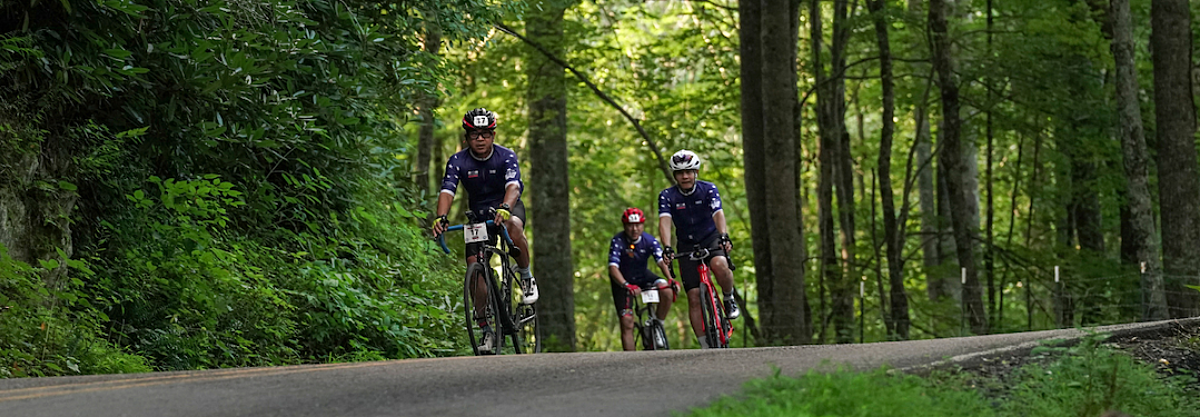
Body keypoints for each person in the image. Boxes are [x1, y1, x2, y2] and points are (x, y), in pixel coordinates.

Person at [431, 108, 538, 354]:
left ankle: (525, 276)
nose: (480, 139)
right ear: (467, 137)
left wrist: (505, 207)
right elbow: (448, 190)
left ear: (493, 135)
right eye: (474, 134)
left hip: (506, 207)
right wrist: (442, 217)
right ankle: (486, 330)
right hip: (478, 216)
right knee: (474, 268)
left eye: (486, 134)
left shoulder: (506, 156)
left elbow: (513, 186)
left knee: (514, 225)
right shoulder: (458, 161)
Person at [657, 149, 739, 349]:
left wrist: (723, 235)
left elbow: (717, 213)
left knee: (720, 263)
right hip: (686, 243)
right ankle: (704, 345)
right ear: (675, 175)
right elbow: (665, 221)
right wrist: (666, 247)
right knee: (693, 297)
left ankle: (728, 298)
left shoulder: (708, 189)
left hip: (710, 238)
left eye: (689, 171)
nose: (685, 176)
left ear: (696, 172)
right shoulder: (667, 196)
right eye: (680, 173)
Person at [608, 207, 676, 351]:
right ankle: (631, 360)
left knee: (667, 291)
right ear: (624, 226)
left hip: (643, 276)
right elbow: (613, 268)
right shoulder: (618, 241)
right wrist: (626, 284)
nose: (634, 229)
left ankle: (658, 325)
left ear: (643, 225)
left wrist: (670, 278)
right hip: (623, 281)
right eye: (630, 225)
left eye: (638, 225)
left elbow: (660, 260)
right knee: (627, 321)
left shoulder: (649, 240)